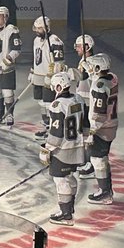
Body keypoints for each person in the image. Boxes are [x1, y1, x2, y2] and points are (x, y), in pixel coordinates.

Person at [40, 71, 87, 226]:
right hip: (78, 147)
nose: (53, 89)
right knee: (70, 177)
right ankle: (70, 208)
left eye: (54, 87)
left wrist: (48, 149)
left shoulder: (57, 105)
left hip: (63, 150)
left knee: (61, 179)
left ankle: (66, 214)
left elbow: (56, 132)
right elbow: (85, 122)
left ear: (59, 86)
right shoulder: (78, 99)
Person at [83, 53, 119, 205]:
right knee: (101, 159)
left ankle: (105, 192)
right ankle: (106, 190)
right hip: (111, 125)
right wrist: (91, 71)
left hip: (102, 128)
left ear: (98, 68)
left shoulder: (100, 87)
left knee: (98, 160)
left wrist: (92, 132)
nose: (90, 69)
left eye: (93, 67)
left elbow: (99, 112)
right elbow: (99, 80)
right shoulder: (112, 78)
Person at [30, 17, 66, 139]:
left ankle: (52, 128)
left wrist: (51, 76)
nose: (37, 30)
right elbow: (36, 57)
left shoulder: (55, 41)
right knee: (41, 102)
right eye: (36, 28)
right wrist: (32, 71)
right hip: (38, 76)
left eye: (39, 28)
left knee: (48, 103)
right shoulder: (36, 40)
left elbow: (59, 62)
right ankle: (46, 126)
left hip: (49, 79)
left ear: (46, 28)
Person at [71, 34, 96, 174]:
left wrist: (67, 72)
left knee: (88, 133)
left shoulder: (91, 62)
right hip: (82, 101)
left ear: (87, 47)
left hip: (88, 103)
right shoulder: (84, 60)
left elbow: (84, 76)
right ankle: (85, 160)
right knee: (83, 132)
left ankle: (90, 163)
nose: (76, 48)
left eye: (79, 46)